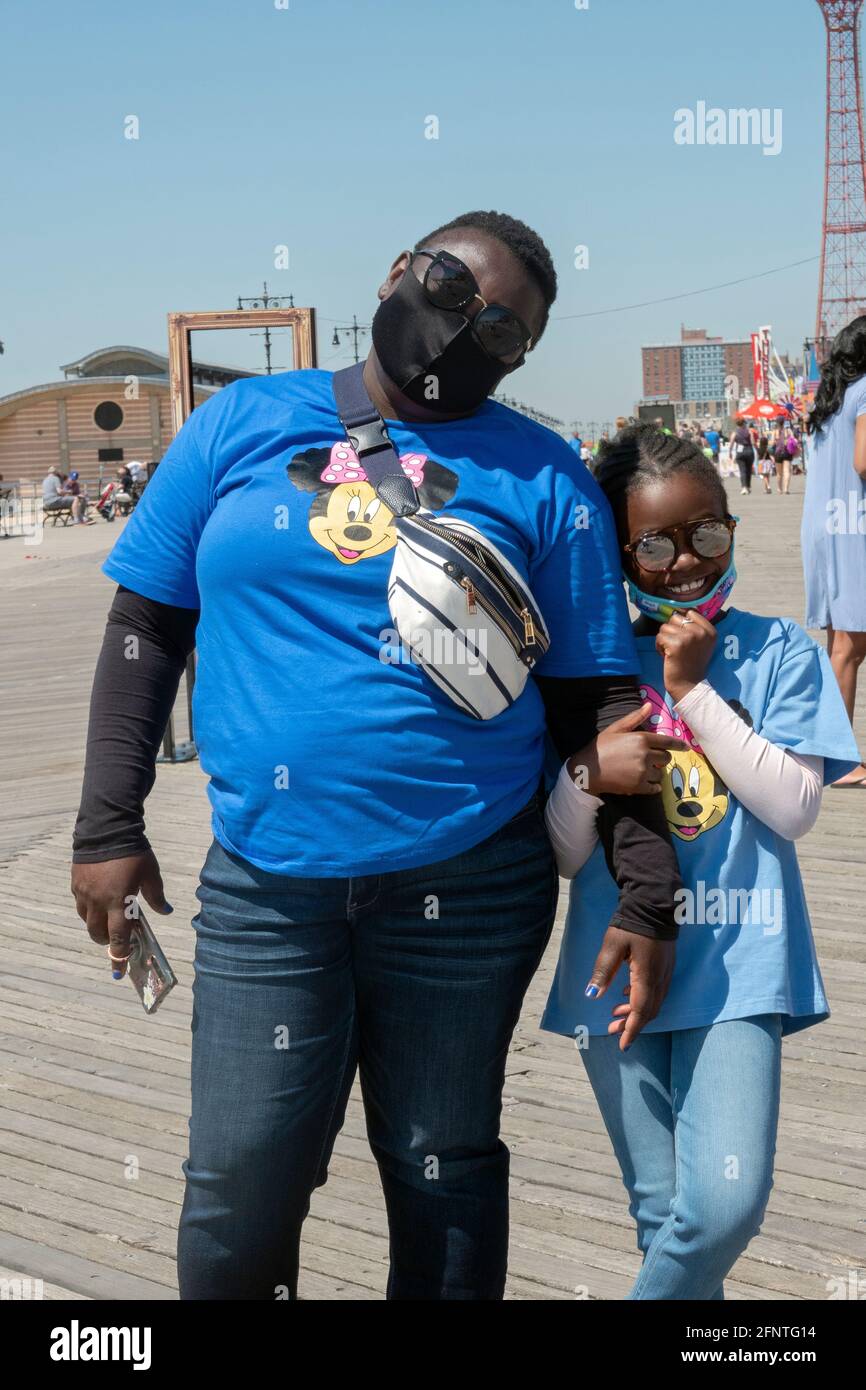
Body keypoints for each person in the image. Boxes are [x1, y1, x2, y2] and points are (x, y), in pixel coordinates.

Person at [71, 210, 683, 1301]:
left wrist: (644, 894)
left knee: (440, 1162)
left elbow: (598, 703)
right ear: (399, 270)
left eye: (503, 330)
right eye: (452, 290)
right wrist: (108, 822)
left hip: (469, 884)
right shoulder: (241, 423)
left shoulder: (544, 476)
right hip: (268, 884)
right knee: (241, 1172)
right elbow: (145, 626)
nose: (466, 330)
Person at [542, 423, 860, 1300]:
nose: (685, 561)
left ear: (731, 525)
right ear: (617, 551)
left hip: (738, 966)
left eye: (706, 533)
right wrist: (584, 775)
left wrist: (693, 694)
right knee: (666, 1220)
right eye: (653, 544)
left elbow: (794, 807)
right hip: (610, 973)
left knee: (721, 1205)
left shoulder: (778, 648)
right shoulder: (589, 670)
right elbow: (567, 857)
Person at [802, 314, 866, 787]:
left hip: (823, 525)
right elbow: (864, 461)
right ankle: (838, 761)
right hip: (853, 525)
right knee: (849, 645)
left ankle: (829, 751)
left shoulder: (831, 398)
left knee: (840, 644)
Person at [729, 419, 754, 494]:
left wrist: (730, 452)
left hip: (740, 452)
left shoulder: (735, 432)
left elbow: (731, 443)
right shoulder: (749, 431)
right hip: (749, 450)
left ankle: (744, 487)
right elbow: (753, 442)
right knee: (749, 470)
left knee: (742, 470)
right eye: (745, 423)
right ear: (743, 424)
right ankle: (748, 487)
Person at [772, 423, 792, 495]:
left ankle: (779, 489)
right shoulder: (788, 430)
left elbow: (772, 443)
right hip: (787, 453)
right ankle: (786, 489)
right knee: (787, 471)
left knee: (779, 473)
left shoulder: (775, 431)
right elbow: (793, 440)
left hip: (778, 453)